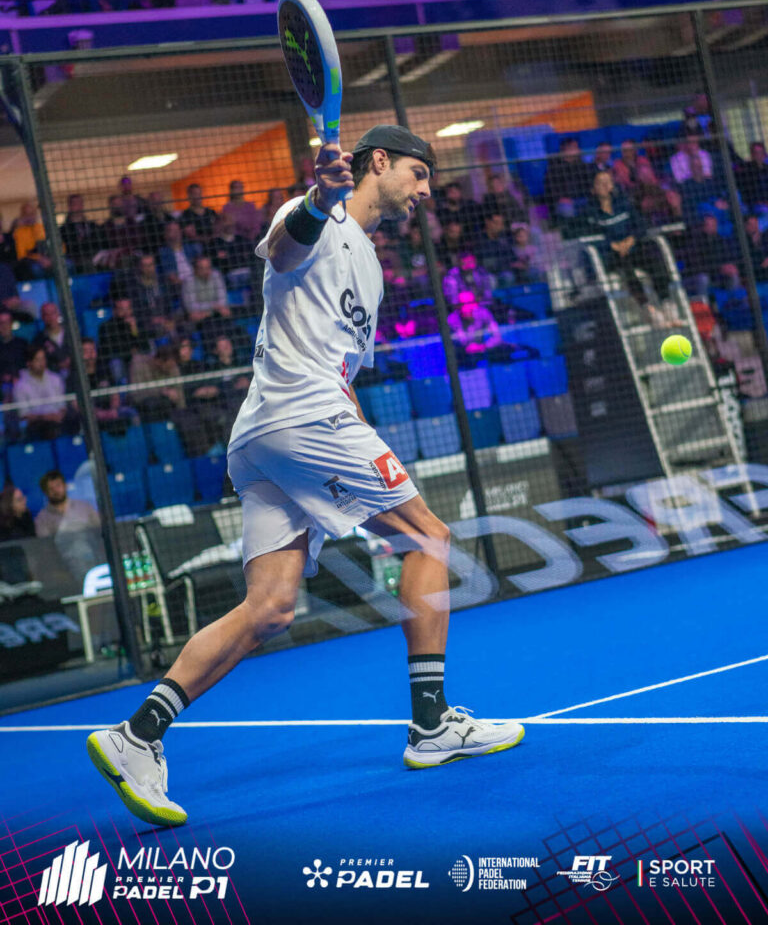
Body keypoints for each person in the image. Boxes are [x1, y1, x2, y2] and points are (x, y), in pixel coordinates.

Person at [87, 123, 524, 828]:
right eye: (418, 173)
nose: (425, 191)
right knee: (428, 539)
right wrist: (321, 198)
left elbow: (343, 372)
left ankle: (136, 735)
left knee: (270, 608)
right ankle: (431, 724)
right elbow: (288, 244)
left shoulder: (371, 265)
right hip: (301, 417)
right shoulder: (314, 214)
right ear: (378, 162)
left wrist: (362, 437)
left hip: (272, 433)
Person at [582, 171, 680, 326]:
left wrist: (631, 240)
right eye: (601, 183)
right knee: (628, 271)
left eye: (608, 181)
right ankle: (648, 309)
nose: (606, 185)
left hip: (633, 248)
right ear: (593, 189)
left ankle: (666, 302)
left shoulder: (624, 204)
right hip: (612, 256)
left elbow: (641, 225)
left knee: (655, 262)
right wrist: (612, 245)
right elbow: (590, 236)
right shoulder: (590, 212)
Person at [35, 471, 103, 586]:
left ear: (65, 485)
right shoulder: (42, 518)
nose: (56, 491)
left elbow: (100, 531)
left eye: (58, 486)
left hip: (93, 558)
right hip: (64, 566)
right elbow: (45, 547)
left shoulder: (84, 507)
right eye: (51, 489)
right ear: (45, 492)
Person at [13, 347, 67, 440]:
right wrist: (46, 417)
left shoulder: (56, 379)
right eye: (37, 360)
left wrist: (59, 415)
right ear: (29, 363)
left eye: (43, 359)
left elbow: (62, 406)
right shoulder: (20, 386)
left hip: (58, 421)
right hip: (36, 425)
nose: (42, 363)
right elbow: (24, 415)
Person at [59, 194, 101, 273]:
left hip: (94, 256)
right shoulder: (63, 230)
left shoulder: (93, 226)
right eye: (75, 204)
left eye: (80, 203)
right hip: (75, 259)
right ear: (69, 207)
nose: (79, 207)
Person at [0, 309, 29, 384]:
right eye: (1, 323)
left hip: (24, 383)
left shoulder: (23, 344)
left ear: (11, 323)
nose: (4, 326)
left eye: (7, 322)